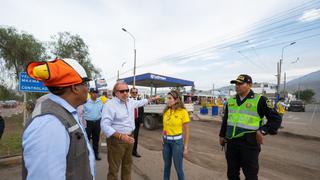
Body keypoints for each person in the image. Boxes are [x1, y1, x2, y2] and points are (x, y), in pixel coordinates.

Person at [22, 58, 96, 180]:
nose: (87, 89)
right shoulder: (50, 123)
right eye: (85, 83)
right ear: (75, 88)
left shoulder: (65, 111)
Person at [219, 74, 282, 180]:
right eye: (236, 84)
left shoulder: (260, 100)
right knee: (232, 174)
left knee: (250, 175)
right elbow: (226, 120)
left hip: (249, 144)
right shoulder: (231, 100)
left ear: (250, 85)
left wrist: (262, 131)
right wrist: (221, 135)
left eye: (240, 84)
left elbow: (276, 119)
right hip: (231, 143)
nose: (237, 86)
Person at [101, 82, 160, 180]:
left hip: (130, 138)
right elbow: (105, 125)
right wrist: (121, 136)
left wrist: (153, 98)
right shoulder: (110, 105)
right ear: (115, 92)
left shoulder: (130, 102)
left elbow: (142, 102)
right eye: (122, 91)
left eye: (126, 90)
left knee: (127, 165)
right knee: (114, 169)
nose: (125, 93)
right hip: (116, 140)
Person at [162, 90, 190, 180]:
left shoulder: (183, 112)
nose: (167, 100)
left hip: (177, 143)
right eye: (167, 98)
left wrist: (185, 147)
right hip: (166, 142)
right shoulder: (166, 111)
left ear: (176, 100)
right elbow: (165, 127)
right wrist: (162, 137)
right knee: (166, 166)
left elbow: (187, 131)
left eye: (170, 98)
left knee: (178, 169)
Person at [84, 88, 104, 160]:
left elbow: (103, 111)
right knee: (87, 140)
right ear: (90, 93)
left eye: (96, 93)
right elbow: (82, 113)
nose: (95, 94)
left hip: (97, 123)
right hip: (88, 123)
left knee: (96, 140)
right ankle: (87, 156)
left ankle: (96, 155)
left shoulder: (100, 101)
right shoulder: (86, 102)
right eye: (93, 92)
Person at [130, 87, 144, 158]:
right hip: (129, 122)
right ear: (130, 93)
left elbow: (142, 112)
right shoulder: (127, 101)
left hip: (137, 121)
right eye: (133, 92)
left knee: (135, 137)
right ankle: (127, 152)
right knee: (128, 136)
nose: (135, 94)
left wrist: (141, 121)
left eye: (136, 92)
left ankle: (134, 151)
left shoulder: (140, 101)